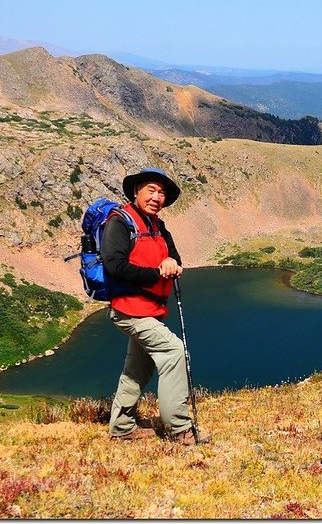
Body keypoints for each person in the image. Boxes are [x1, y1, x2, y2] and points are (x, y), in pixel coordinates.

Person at [101, 167, 210, 445]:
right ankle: (179, 428)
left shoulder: (158, 226)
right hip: (129, 309)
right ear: (136, 192)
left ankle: (122, 427)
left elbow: (174, 257)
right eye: (151, 190)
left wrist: (172, 263)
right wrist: (156, 274)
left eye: (161, 192)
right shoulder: (120, 222)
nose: (157, 197)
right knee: (173, 351)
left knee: (138, 367)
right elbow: (114, 265)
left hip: (149, 310)